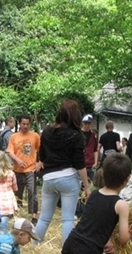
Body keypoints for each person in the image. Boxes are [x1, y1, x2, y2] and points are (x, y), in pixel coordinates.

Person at [34, 99, 91, 244]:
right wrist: (87, 186)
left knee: (44, 218)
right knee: (67, 219)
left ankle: (34, 247)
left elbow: (42, 156)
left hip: (48, 178)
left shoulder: (47, 131)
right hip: (68, 177)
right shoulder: (75, 135)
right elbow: (80, 164)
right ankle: (67, 252)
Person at [7, 114, 41, 225]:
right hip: (17, 170)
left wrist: (40, 163)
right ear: (20, 124)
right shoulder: (14, 137)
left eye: (27, 124)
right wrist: (17, 160)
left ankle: (34, 215)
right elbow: (10, 151)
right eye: (23, 124)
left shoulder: (35, 136)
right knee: (17, 192)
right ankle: (16, 213)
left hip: (31, 169)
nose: (25, 126)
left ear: (30, 124)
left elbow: (42, 149)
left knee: (32, 191)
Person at [81, 114, 99, 182]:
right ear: (82, 123)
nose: (87, 125)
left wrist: (96, 162)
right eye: (86, 123)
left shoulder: (93, 134)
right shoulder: (78, 134)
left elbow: (95, 149)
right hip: (81, 164)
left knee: (91, 184)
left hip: (91, 164)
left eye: (89, 123)